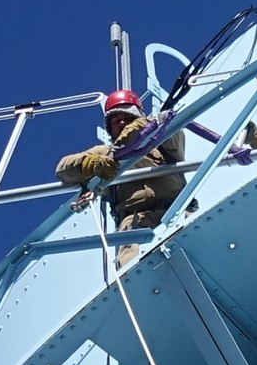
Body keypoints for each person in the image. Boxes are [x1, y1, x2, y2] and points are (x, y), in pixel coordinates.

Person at [56, 89, 186, 266]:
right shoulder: (105, 154)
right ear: (110, 129)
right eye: (116, 121)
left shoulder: (162, 138)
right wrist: (91, 164)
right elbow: (63, 169)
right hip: (134, 224)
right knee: (135, 270)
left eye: (128, 116)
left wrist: (144, 127)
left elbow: (173, 131)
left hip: (179, 211)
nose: (122, 122)